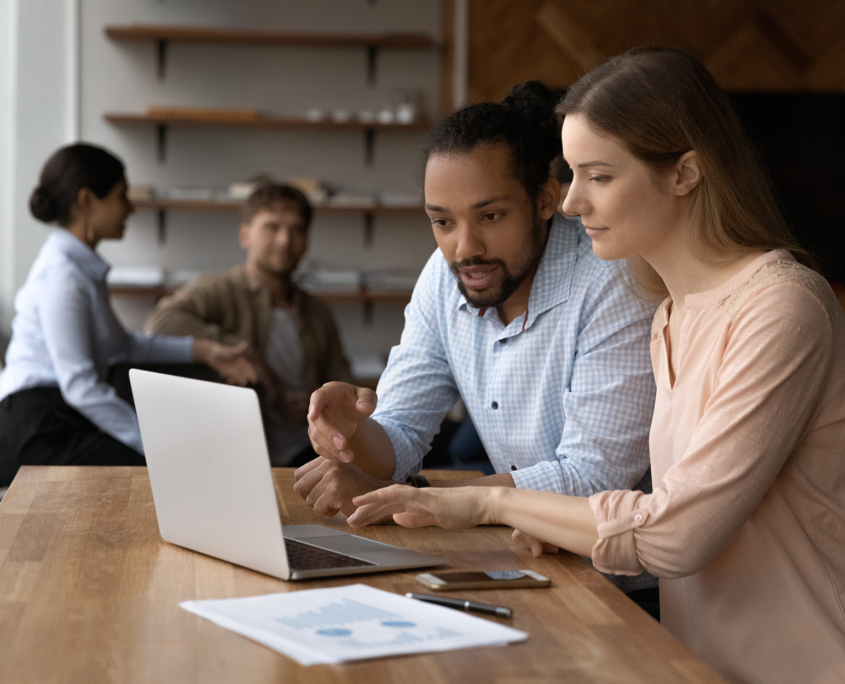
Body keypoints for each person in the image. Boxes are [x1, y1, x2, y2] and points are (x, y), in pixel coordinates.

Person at [346, 48, 845, 684]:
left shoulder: (782, 305)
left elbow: (673, 534)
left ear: (685, 173)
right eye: (573, 174)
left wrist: (488, 503)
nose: (573, 203)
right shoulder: (672, 312)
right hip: (697, 662)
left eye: (599, 176)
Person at [295, 82, 659, 597]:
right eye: (442, 222)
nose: (465, 248)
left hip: (624, 583)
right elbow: (398, 434)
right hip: (524, 563)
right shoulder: (444, 277)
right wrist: (351, 435)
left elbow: (593, 479)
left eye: (490, 216)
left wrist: (419, 496)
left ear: (545, 199)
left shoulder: (612, 279)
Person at [0, 143, 255, 487]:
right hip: (41, 424)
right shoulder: (63, 277)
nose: (131, 208)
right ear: (87, 201)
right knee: (162, 476)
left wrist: (207, 350)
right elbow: (80, 386)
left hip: (61, 416)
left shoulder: (80, 269)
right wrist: (154, 442)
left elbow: (122, 345)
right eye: (122, 196)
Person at [145, 183, 353, 466]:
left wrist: (319, 405)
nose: (284, 240)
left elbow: (344, 383)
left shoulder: (318, 312)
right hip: (242, 453)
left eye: (297, 229)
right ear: (245, 235)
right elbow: (160, 324)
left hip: (316, 450)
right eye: (272, 227)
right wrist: (244, 354)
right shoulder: (220, 289)